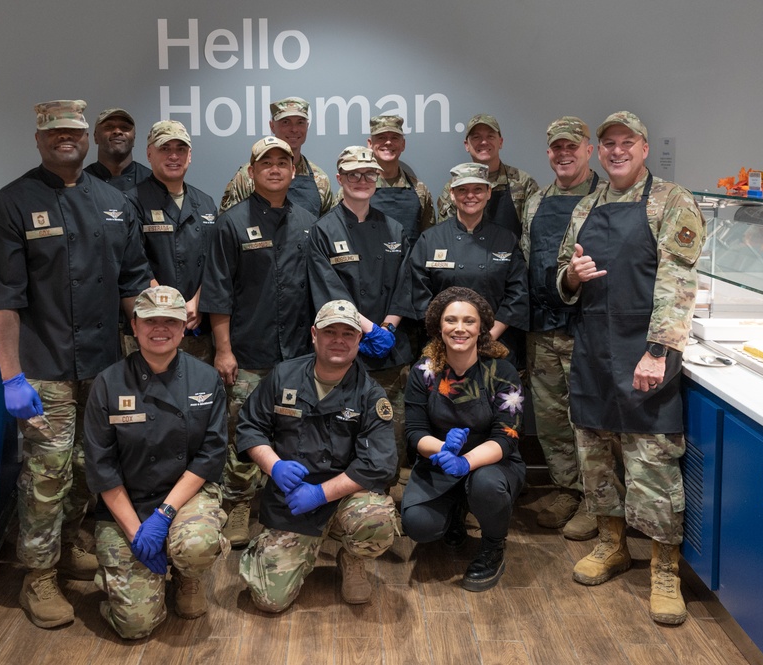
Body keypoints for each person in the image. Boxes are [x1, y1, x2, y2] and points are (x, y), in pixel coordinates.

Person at [0, 99, 151, 628]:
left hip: (103, 366)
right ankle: (38, 577)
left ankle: (72, 541)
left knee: (89, 466)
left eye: (73, 130)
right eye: (54, 133)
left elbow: (132, 283)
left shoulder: (114, 202)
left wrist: (150, 344)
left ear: (87, 136)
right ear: (38, 139)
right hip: (43, 365)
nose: (65, 139)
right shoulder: (9, 205)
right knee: (46, 474)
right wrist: (11, 375)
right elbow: (2, 301)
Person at [556, 111, 705, 626]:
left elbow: (678, 282)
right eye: (608, 144)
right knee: (595, 455)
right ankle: (611, 543)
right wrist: (570, 278)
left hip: (646, 350)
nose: (616, 151)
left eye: (627, 142)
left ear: (643, 148)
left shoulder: (670, 200)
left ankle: (664, 568)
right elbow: (563, 276)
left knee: (653, 461)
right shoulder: (586, 207)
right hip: (594, 348)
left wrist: (658, 351)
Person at [83, 286, 228, 639]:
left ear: (183, 328)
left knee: (195, 546)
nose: (159, 328)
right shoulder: (108, 383)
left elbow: (210, 454)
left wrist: (163, 516)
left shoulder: (206, 379)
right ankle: (118, 578)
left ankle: (187, 575)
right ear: (134, 326)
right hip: (126, 504)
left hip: (186, 499)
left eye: (170, 321)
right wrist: (136, 532)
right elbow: (102, 467)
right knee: (135, 626)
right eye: (150, 321)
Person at [236, 300, 398, 611]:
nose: (339, 340)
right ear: (314, 334)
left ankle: (352, 557)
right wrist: (274, 466)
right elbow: (249, 426)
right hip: (291, 498)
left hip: (344, 498)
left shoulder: (370, 394)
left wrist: (321, 493)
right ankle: (286, 549)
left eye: (348, 334)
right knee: (270, 601)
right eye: (330, 332)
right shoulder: (284, 376)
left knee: (376, 521)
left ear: (359, 340)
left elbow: (379, 464)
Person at [200, 136, 318, 547]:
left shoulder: (308, 221)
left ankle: (286, 503)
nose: (273, 168)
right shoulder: (230, 223)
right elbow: (218, 292)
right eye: (264, 162)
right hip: (248, 353)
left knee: (295, 432)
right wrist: (223, 349)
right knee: (244, 435)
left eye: (281, 162)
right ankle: (237, 505)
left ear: (292, 170)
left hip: (299, 354)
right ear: (250, 173)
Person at [401, 287, 525, 592]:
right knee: (418, 524)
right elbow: (414, 432)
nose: (459, 328)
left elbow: (506, 437)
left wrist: (465, 461)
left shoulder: (502, 371)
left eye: (468, 321)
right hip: (439, 460)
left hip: (492, 463)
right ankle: (454, 510)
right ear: (438, 327)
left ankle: (493, 546)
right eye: (451, 320)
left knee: (485, 485)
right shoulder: (423, 372)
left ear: (481, 327)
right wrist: (444, 450)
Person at [519, 116, 605, 541]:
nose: (563, 154)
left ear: (588, 150)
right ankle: (567, 488)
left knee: (588, 419)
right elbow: (526, 256)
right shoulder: (535, 200)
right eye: (556, 148)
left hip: (586, 327)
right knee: (551, 418)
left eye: (572, 146)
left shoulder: (606, 197)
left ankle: (597, 501)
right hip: (543, 325)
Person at [308, 146, 415, 482]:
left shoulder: (395, 230)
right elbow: (328, 291)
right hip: (343, 346)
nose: (361, 180)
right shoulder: (323, 231)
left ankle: (383, 488)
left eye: (368, 174)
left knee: (388, 424)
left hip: (389, 349)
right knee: (342, 425)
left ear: (377, 178)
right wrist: (367, 329)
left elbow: (405, 285)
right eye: (352, 174)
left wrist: (387, 327)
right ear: (339, 178)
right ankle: (339, 492)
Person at [408, 162, 529, 366]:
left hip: (495, 345)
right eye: (462, 190)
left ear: (489, 193)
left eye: (478, 189)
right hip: (444, 346)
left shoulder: (505, 239)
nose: (470, 196)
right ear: (452, 194)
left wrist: (487, 338)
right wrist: (450, 337)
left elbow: (517, 294)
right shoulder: (431, 239)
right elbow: (419, 294)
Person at [130, 120, 217, 361]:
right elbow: (134, 264)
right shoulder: (131, 202)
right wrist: (168, 308)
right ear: (149, 153)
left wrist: (198, 302)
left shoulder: (206, 203)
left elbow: (216, 262)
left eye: (180, 149)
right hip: (152, 328)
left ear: (189, 155)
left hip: (197, 328)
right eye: (165, 148)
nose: (174, 156)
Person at [219, 97, 334, 217]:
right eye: (286, 122)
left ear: (307, 126)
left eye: (300, 122)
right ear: (272, 126)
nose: (294, 129)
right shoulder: (247, 176)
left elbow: (326, 229)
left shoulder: (320, 179)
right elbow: (229, 224)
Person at [436, 113, 538, 238]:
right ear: (466, 145)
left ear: (500, 142)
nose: (484, 142)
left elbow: (532, 237)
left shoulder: (523, 183)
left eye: (490, 136)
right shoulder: (453, 187)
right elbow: (446, 236)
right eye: (476, 137)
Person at [339, 115, 435, 247]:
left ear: (403, 144)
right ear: (370, 144)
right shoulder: (352, 189)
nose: (388, 142)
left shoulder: (420, 190)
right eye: (381, 137)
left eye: (394, 137)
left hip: (409, 266)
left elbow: (429, 239)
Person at [84, 108, 152, 191]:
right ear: (95, 137)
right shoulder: (82, 182)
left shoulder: (151, 181)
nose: (117, 131)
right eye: (108, 127)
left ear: (134, 138)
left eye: (125, 127)